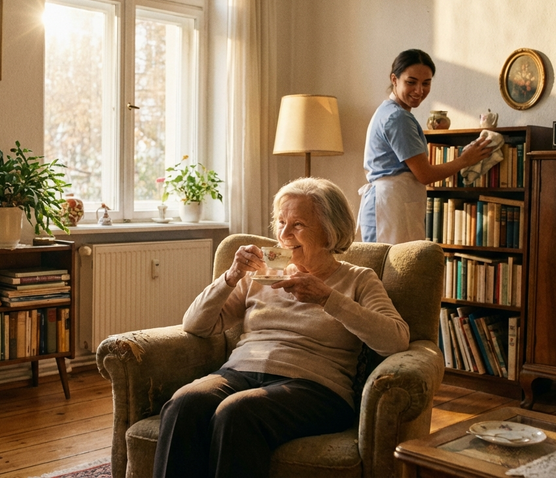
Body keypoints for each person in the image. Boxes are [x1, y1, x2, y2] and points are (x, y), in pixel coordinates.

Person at [152, 177, 410, 478]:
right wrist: (232, 276)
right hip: (239, 372)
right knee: (185, 403)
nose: (284, 234)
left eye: (298, 224)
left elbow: (396, 340)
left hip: (316, 388)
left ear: (330, 231)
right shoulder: (260, 275)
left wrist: (328, 299)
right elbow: (195, 324)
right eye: (281, 222)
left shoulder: (359, 279)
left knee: (237, 413)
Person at [358, 49, 494, 244]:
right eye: (411, 82)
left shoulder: (388, 111)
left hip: (389, 205)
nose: (419, 91)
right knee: (392, 272)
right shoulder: (398, 117)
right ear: (394, 79)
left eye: (426, 83)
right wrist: (465, 159)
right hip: (390, 208)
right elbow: (425, 175)